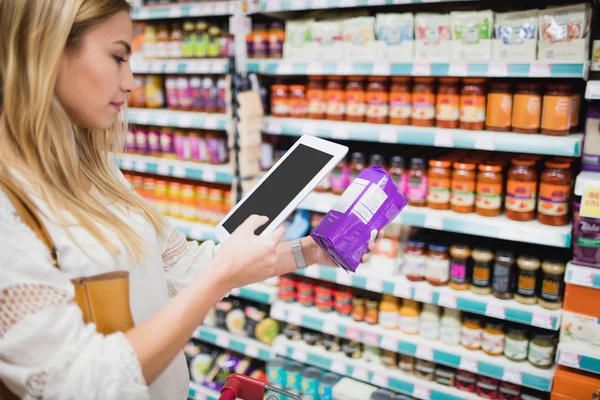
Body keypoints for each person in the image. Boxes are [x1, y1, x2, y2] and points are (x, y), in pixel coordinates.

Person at [0, 1, 383, 399]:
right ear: (44, 49)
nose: (131, 82)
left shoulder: (98, 171)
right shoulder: (9, 207)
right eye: (117, 57)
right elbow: (79, 384)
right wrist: (222, 277)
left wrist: (315, 250)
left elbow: (183, 268)